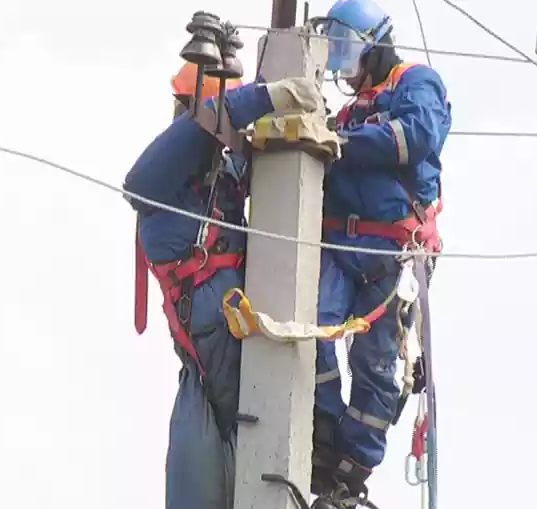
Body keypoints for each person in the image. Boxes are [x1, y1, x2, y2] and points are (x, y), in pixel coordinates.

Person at [123, 61, 324, 509]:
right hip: (211, 361)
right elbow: (136, 184)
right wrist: (259, 98)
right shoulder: (165, 194)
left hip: (239, 352)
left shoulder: (223, 176)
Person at [309, 0, 452, 506]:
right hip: (342, 246)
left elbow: (414, 136)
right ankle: (321, 436)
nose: (346, 72)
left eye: (350, 57)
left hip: (393, 252)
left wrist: (341, 141)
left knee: (375, 366)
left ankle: (351, 467)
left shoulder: (417, 84)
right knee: (312, 331)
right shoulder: (349, 112)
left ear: (376, 46)